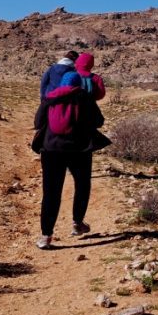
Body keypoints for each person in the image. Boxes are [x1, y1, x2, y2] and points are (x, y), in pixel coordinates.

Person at [32, 64, 106, 249]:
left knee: (51, 193)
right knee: (82, 185)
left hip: (51, 150)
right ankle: (77, 223)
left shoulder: (49, 99)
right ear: (78, 83)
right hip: (80, 150)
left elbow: (38, 122)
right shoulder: (85, 98)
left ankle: (46, 236)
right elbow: (99, 121)